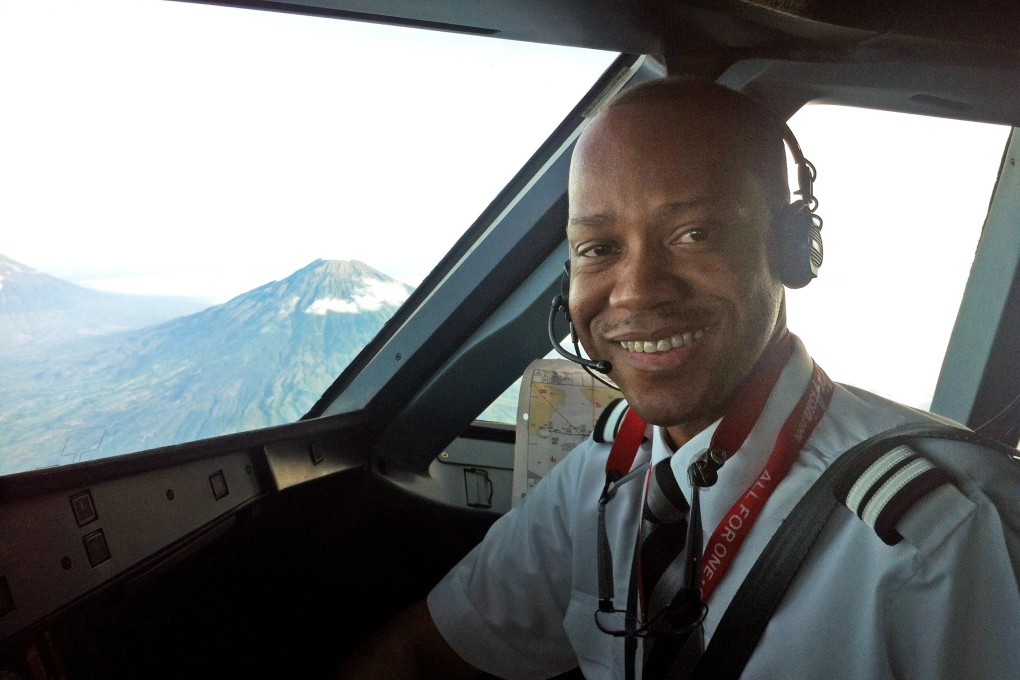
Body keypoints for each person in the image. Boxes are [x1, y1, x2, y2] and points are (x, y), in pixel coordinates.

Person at [336, 78, 1020, 679]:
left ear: (789, 249)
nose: (635, 293)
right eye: (598, 248)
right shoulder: (606, 473)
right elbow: (428, 652)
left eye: (694, 234)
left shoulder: (949, 535)